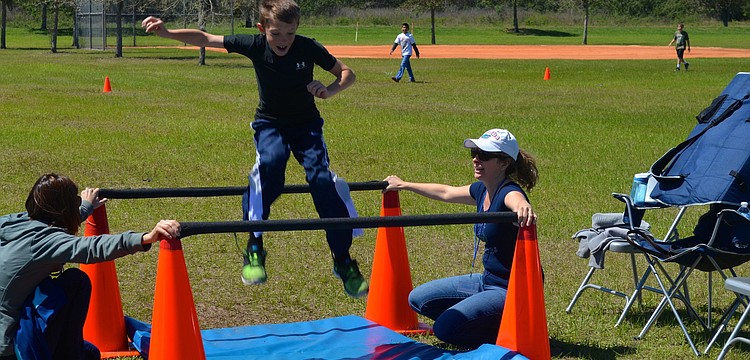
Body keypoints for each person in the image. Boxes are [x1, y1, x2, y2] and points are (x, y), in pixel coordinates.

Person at [141, 0, 368, 298]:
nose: (283, 41)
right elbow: (205, 38)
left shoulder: (308, 47)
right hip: (270, 125)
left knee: (323, 182)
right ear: (263, 29)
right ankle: (254, 247)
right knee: (270, 168)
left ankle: (343, 260)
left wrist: (329, 90)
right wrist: (167, 33)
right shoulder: (254, 44)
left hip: (307, 126)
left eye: (289, 33)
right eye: (276, 34)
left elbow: (347, 73)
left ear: (297, 29)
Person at [384, 128, 538, 348]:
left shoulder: (508, 192)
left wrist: (523, 208)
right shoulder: (482, 190)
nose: (476, 159)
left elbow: (518, 201)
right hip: (486, 281)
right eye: (474, 153)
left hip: (510, 290)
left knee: (444, 330)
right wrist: (405, 185)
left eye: (484, 155)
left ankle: (503, 332)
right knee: (417, 299)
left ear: (504, 163)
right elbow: (446, 192)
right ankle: (481, 321)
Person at [0, 173, 181, 360]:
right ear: (66, 208)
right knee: (76, 282)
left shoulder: (12, 223)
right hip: (11, 347)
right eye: (75, 201)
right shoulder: (44, 242)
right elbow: (91, 247)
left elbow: (53, 224)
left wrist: (86, 206)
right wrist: (146, 238)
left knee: (90, 353)